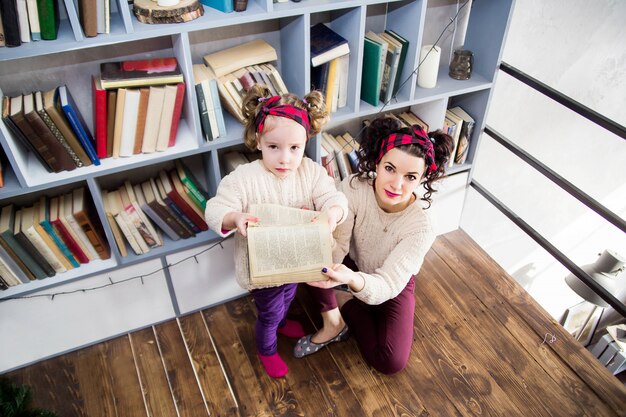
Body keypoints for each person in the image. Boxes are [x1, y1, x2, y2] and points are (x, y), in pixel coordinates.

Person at [204, 85, 348, 379]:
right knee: (269, 312)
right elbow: (214, 209)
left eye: (294, 148)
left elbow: (333, 198)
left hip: (294, 264)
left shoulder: (310, 171)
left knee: (288, 298)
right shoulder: (243, 179)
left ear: (305, 143)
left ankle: (281, 324)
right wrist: (234, 217)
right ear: (258, 141)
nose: (285, 159)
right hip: (263, 271)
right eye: (274, 147)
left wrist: (333, 214)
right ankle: (266, 348)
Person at [294, 115, 453, 374]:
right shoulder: (355, 188)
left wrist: (354, 283)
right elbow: (338, 247)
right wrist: (318, 236)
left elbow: (389, 283)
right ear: (377, 162)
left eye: (411, 176)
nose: (397, 184)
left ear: (423, 178)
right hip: (351, 261)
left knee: (390, 361)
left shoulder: (422, 226)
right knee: (314, 257)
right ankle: (337, 319)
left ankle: (344, 298)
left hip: (392, 279)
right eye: (390, 169)